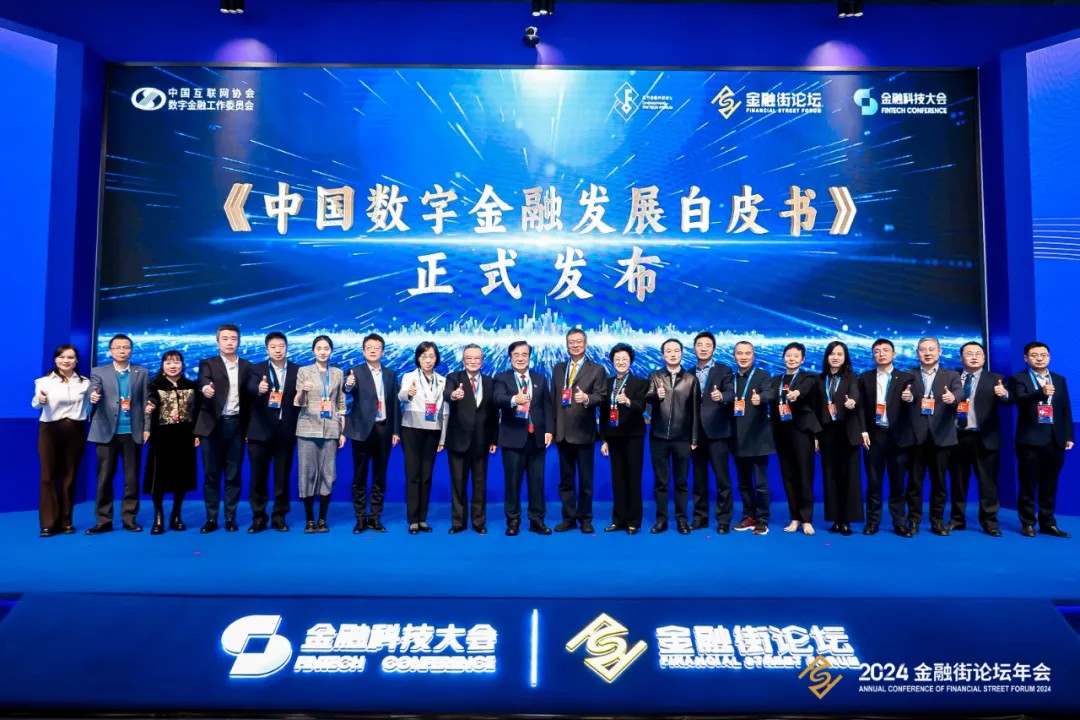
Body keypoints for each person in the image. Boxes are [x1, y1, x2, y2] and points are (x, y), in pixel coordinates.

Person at [87, 334, 151, 534]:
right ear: (110, 351)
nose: (122, 351)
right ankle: (103, 520)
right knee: (104, 477)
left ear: (131, 350)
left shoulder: (142, 372)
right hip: (106, 432)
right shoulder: (98, 371)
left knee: (131, 479)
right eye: (118, 347)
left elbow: (146, 402)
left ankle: (129, 518)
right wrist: (93, 395)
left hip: (132, 431)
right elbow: (94, 389)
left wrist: (147, 428)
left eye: (126, 347)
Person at [1009, 341, 1074, 538]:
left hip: (1055, 439)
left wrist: (1069, 435)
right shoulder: (1018, 378)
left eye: (1043, 355)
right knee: (1028, 483)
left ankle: (1048, 523)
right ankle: (1027, 523)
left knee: (1050, 483)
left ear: (1049, 357)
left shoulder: (1059, 379)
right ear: (1026, 358)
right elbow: (1019, 400)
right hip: (1030, 440)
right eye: (1034, 355)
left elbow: (1065, 409)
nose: (1039, 358)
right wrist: (1040, 393)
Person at [948, 341, 1011, 537]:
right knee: (958, 481)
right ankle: (957, 519)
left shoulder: (996, 379)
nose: (974, 357)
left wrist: (1005, 394)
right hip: (957, 437)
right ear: (961, 358)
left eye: (978, 353)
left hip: (985, 438)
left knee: (988, 482)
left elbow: (1008, 401)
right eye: (969, 353)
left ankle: (989, 521)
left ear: (984, 357)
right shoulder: (951, 377)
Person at [901, 336, 962, 536]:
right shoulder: (907, 375)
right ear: (917, 353)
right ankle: (914, 521)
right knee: (914, 483)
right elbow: (901, 399)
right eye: (923, 350)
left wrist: (953, 397)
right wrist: (907, 398)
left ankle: (937, 521)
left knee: (940, 483)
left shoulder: (951, 375)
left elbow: (960, 392)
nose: (927, 353)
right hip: (915, 437)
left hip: (942, 436)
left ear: (939, 351)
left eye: (931, 349)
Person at [194, 324, 253, 533]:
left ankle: (230, 518)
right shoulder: (208, 363)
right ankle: (211, 518)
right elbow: (203, 380)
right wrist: (205, 389)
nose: (229, 342)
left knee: (233, 474)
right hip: (212, 426)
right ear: (217, 341)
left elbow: (252, 395)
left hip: (236, 425)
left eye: (233, 339)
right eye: (225, 338)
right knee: (211, 475)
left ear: (239, 341)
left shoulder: (247, 366)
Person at [493, 340, 552, 536]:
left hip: (537, 439)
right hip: (513, 439)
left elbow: (546, 407)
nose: (520, 358)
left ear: (529, 357)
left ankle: (537, 520)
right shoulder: (502, 378)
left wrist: (549, 430)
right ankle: (513, 521)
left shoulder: (540, 379)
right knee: (512, 482)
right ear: (510, 358)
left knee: (537, 482)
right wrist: (514, 399)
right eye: (516, 355)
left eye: (524, 354)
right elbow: (497, 398)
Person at [550, 328, 605, 534]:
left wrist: (587, 398)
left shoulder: (596, 369)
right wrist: (552, 430)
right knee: (566, 480)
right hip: (562, 433)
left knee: (585, 480)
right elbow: (553, 399)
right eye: (571, 342)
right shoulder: (558, 369)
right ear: (567, 344)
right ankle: (568, 518)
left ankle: (585, 519)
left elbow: (601, 396)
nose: (575, 345)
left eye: (578, 341)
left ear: (585, 344)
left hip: (584, 433)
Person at [857, 338, 915, 537]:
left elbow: (915, 403)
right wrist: (863, 431)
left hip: (898, 437)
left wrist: (910, 398)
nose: (881, 354)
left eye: (885, 350)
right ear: (873, 355)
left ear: (894, 354)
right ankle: (872, 522)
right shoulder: (865, 377)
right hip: (874, 436)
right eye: (877, 351)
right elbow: (861, 408)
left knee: (897, 482)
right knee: (874, 482)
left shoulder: (906, 377)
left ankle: (899, 523)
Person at [344, 332, 400, 533]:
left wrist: (395, 430)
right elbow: (348, 388)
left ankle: (375, 517)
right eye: (369, 348)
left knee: (379, 475)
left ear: (383, 352)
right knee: (359, 475)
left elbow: (394, 404)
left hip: (384, 428)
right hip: (362, 430)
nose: (373, 351)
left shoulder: (390, 374)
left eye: (377, 348)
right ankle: (360, 518)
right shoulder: (356, 372)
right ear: (363, 351)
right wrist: (348, 384)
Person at [32, 344, 90, 537]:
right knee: (47, 476)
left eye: (70, 357)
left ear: (77, 361)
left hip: (75, 430)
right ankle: (48, 524)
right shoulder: (43, 381)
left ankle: (66, 521)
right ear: (56, 360)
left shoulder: (85, 383)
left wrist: (94, 400)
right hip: (50, 430)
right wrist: (40, 401)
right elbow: (35, 403)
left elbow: (89, 407)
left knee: (69, 476)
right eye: (62, 357)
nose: (66, 361)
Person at [246, 331, 300, 533]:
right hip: (259, 433)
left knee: (282, 478)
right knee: (258, 478)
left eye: (281, 346)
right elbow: (249, 389)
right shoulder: (256, 369)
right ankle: (258, 517)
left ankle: (279, 516)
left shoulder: (297, 370)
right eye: (273, 347)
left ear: (287, 347)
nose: (278, 350)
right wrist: (258, 389)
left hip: (285, 433)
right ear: (267, 349)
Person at [645, 338, 700, 535]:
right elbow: (646, 398)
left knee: (681, 481)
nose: (672, 354)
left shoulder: (691, 379)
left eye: (676, 350)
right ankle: (661, 520)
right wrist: (655, 396)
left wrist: (694, 438)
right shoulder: (655, 376)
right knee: (661, 482)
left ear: (682, 353)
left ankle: (681, 520)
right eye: (668, 351)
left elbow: (695, 411)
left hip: (682, 438)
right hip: (658, 437)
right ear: (663, 355)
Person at [443, 344, 499, 534]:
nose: (473, 361)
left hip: (482, 441)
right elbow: (446, 394)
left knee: (479, 484)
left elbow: (493, 414)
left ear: (482, 361)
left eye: (477, 358)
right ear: (463, 360)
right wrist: (453, 395)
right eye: (469, 358)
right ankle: (458, 522)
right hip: (458, 441)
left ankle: (478, 522)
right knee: (458, 483)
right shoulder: (454, 378)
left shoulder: (490, 382)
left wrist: (494, 440)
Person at [294, 335, 347, 533]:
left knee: (328, 474)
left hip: (331, 429)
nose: (323, 352)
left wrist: (342, 431)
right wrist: (302, 391)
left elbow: (341, 404)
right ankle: (309, 520)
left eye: (326, 348)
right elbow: (298, 402)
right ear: (313, 351)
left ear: (331, 351)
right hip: (307, 428)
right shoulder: (304, 371)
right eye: (319, 348)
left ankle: (322, 519)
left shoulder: (337, 373)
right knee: (307, 473)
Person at [143, 350, 199, 535]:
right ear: (162, 366)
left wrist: (197, 434)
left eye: (176, 362)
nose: (172, 366)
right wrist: (150, 406)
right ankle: (158, 517)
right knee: (158, 478)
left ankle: (176, 515)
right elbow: (150, 400)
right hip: (161, 437)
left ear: (182, 364)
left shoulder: (191, 385)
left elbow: (198, 411)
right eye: (168, 363)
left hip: (185, 437)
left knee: (181, 478)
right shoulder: (154, 385)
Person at [770, 342, 822, 535]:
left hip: (802, 433)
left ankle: (807, 519)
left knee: (804, 476)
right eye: (788, 355)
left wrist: (796, 394)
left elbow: (805, 390)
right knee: (788, 477)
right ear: (783, 357)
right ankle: (795, 518)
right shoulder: (776, 380)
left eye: (795, 356)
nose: (791, 359)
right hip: (781, 433)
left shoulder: (808, 378)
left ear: (802, 359)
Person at [399, 342, 449, 534]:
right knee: (413, 475)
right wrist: (408, 393)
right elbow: (401, 396)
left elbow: (445, 411)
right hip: (411, 429)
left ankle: (422, 519)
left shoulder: (442, 380)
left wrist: (443, 438)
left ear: (436, 359)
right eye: (424, 356)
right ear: (418, 358)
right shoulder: (409, 377)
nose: (428, 360)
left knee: (427, 476)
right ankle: (412, 520)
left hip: (433, 430)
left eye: (432, 356)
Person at [598, 343, 648, 534]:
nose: (620, 362)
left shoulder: (640, 382)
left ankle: (633, 521)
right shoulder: (607, 383)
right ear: (612, 361)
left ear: (630, 361)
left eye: (624, 359)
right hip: (614, 436)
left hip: (633, 436)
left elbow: (642, 407)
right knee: (617, 479)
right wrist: (603, 439)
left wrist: (628, 401)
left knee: (633, 478)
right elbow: (603, 413)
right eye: (617, 359)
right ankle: (618, 520)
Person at [690, 332, 736, 533]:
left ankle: (723, 520)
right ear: (694, 349)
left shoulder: (724, 370)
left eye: (707, 345)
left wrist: (722, 396)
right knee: (699, 479)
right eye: (699, 345)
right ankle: (700, 518)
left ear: (714, 349)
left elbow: (732, 393)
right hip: (695, 434)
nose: (703, 348)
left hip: (718, 432)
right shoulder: (688, 372)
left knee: (722, 479)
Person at [729, 341, 776, 536]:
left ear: (753, 356)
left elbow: (770, 393)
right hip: (737, 438)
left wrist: (761, 398)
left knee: (761, 484)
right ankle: (749, 516)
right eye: (739, 353)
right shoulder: (731, 378)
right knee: (743, 482)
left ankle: (763, 519)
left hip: (757, 439)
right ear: (734, 356)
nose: (743, 357)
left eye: (747, 353)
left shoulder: (762, 375)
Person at [818, 341, 864, 536]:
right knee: (830, 477)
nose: (835, 357)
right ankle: (835, 519)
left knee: (848, 477)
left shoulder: (852, 377)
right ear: (827, 356)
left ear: (845, 358)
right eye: (832, 354)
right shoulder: (820, 379)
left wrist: (852, 401)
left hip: (847, 433)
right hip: (827, 433)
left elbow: (855, 394)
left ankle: (846, 520)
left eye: (839, 354)